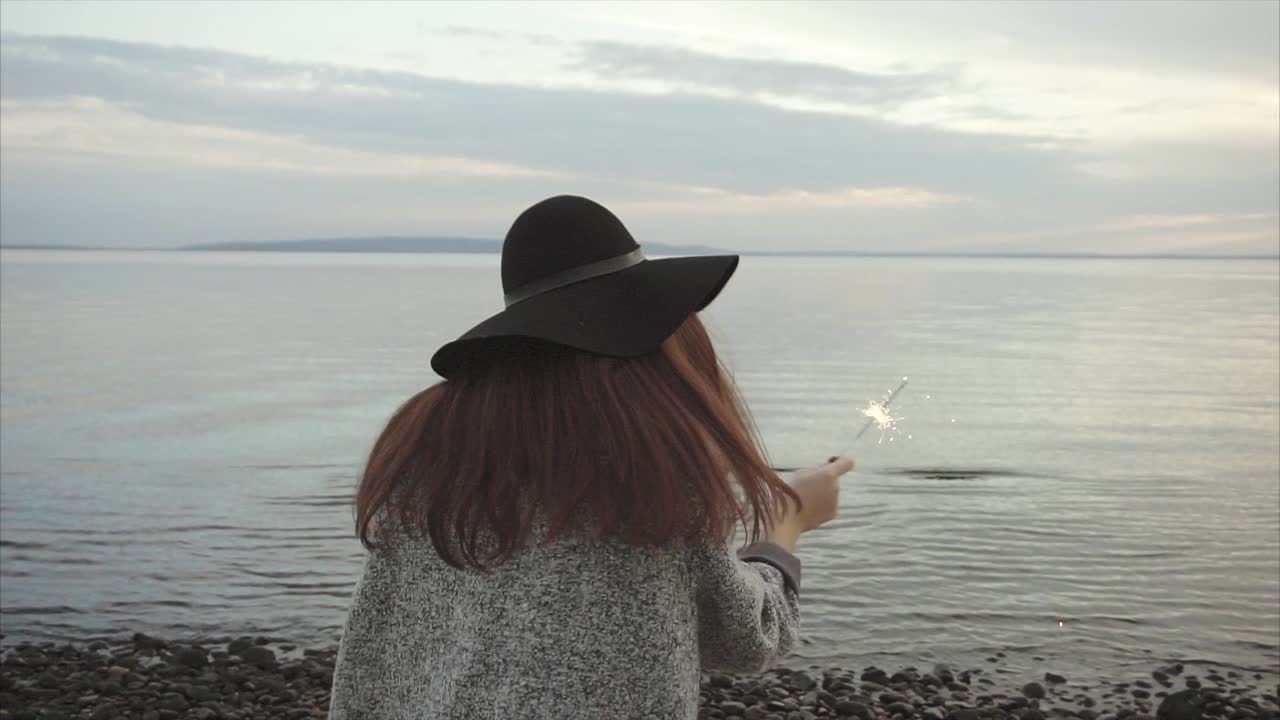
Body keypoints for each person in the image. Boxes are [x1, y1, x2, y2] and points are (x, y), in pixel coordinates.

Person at [328, 195, 855, 719]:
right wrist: (788, 524)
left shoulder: (425, 447)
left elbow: (377, 647)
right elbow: (745, 639)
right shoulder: (642, 478)